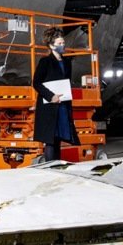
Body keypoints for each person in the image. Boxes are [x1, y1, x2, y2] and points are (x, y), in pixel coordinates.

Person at [32, 27, 80, 161]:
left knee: (60, 137)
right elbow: (36, 83)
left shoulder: (67, 62)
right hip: (50, 105)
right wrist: (51, 96)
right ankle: (50, 166)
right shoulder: (45, 62)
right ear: (51, 45)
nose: (62, 45)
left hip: (63, 104)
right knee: (51, 139)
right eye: (59, 44)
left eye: (63, 43)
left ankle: (57, 165)